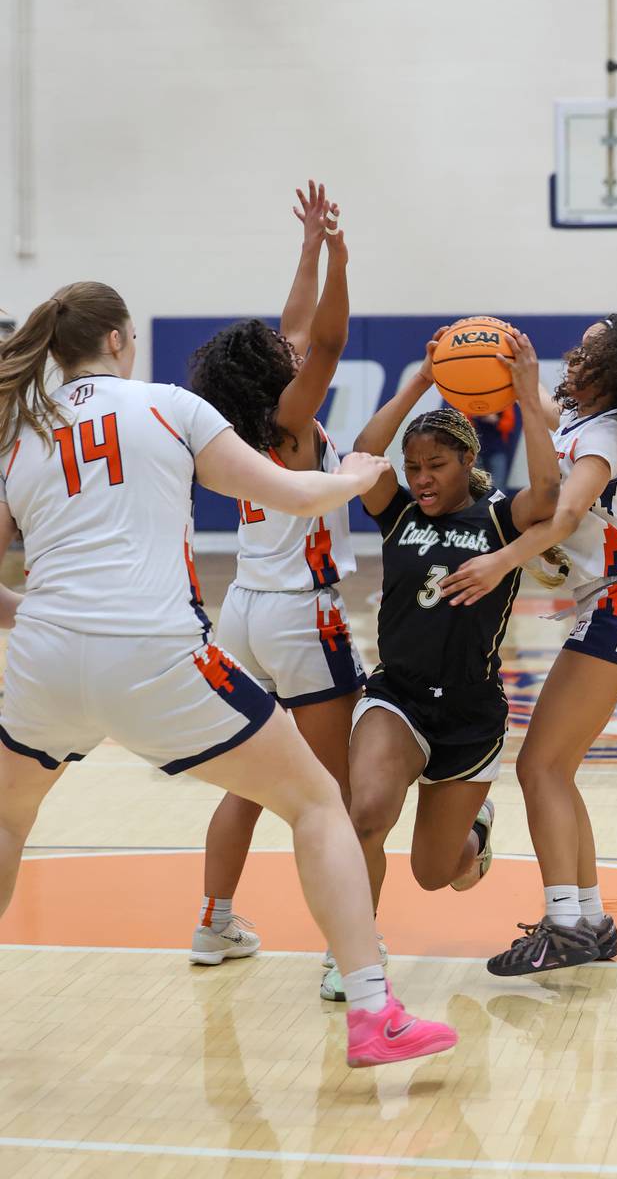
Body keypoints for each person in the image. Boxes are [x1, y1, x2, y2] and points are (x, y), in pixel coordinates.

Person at [0, 279, 457, 1067]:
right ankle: (371, 1010)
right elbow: (292, 492)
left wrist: (38, 612)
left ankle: (220, 918)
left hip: (44, 657)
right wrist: (355, 476)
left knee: (8, 822)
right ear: (118, 339)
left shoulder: (21, 433)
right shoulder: (170, 407)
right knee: (317, 800)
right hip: (156, 651)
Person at [440, 314, 617, 973]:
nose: (573, 357)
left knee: (540, 769)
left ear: (615, 369)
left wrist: (501, 562)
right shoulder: (577, 420)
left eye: (588, 351)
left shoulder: (608, 434)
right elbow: (533, 407)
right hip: (613, 604)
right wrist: (503, 367)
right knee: (553, 770)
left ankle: (564, 926)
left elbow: (563, 513)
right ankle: (589, 921)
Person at [326, 326, 563, 998]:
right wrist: (421, 382)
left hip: (469, 713)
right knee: (366, 815)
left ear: (467, 462)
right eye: (414, 467)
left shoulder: (502, 520)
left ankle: (474, 836)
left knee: (437, 873)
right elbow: (362, 454)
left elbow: (550, 494)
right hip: (396, 698)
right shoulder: (398, 513)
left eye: (436, 466)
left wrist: (526, 394)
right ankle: (352, 953)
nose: (422, 479)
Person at [187, 184, 375, 980]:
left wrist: (307, 248)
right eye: (278, 351)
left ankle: (214, 924)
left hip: (242, 614)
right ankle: (343, 955)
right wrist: (340, 262)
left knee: (251, 780)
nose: (287, 345)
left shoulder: (237, 425)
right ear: (274, 375)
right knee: (333, 792)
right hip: (303, 615)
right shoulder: (292, 423)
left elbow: (297, 331)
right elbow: (324, 341)